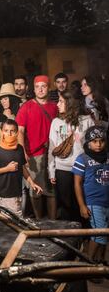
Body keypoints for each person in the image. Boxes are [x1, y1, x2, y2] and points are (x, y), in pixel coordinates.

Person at [16, 75, 58, 219]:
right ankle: (39, 221)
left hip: (53, 155)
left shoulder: (54, 107)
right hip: (33, 155)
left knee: (52, 191)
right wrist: (22, 151)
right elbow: (20, 131)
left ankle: (52, 223)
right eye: (37, 86)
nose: (40, 89)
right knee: (36, 191)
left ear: (48, 88)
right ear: (33, 89)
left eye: (44, 86)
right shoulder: (26, 107)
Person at [48, 91, 94, 221]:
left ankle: (84, 237)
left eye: (61, 101)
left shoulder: (86, 120)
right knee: (66, 207)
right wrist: (51, 171)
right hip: (62, 170)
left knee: (83, 204)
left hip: (82, 169)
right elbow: (52, 148)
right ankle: (69, 238)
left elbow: (92, 147)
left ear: (70, 103)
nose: (57, 104)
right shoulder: (56, 122)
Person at [0, 119, 42, 216]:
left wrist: (32, 183)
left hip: (18, 192)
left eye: (12, 131)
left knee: (14, 222)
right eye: (6, 130)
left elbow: (22, 167)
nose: (9, 134)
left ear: (16, 132)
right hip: (5, 194)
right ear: (2, 132)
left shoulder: (19, 148)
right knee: (14, 222)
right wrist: (7, 169)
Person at [73, 126, 109, 262]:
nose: (98, 144)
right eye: (94, 141)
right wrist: (82, 205)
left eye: (101, 141)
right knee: (99, 234)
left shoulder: (107, 157)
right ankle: (88, 262)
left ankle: (101, 261)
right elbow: (77, 183)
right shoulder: (82, 159)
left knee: (105, 233)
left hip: (107, 202)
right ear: (88, 142)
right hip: (94, 203)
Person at [0, 83, 21, 151]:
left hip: (16, 150)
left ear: (12, 99)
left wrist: (10, 116)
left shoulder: (21, 111)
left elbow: (20, 131)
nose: (3, 101)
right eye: (1, 99)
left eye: (5, 99)